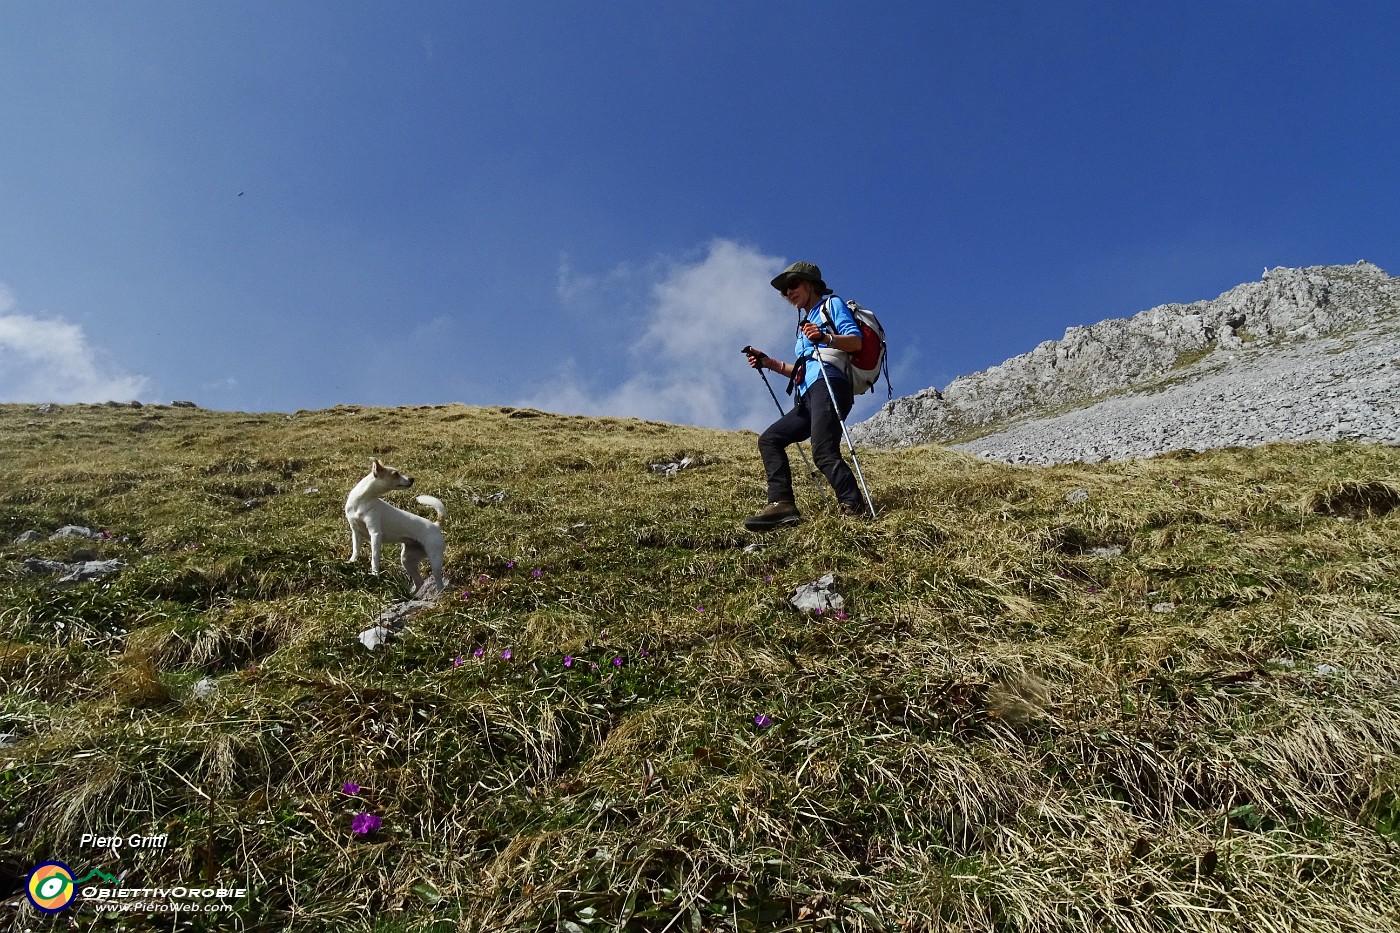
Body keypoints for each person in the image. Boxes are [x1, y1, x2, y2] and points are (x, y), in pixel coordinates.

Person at [742, 261, 866, 531]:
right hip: (808, 393)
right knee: (770, 440)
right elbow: (803, 368)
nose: (788, 293)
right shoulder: (804, 325)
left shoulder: (831, 305)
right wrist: (769, 363)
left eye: (793, 285)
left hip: (830, 385)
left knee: (823, 451)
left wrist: (825, 337)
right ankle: (782, 504)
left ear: (810, 284)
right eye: (784, 290)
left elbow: (855, 341)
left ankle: (854, 507)